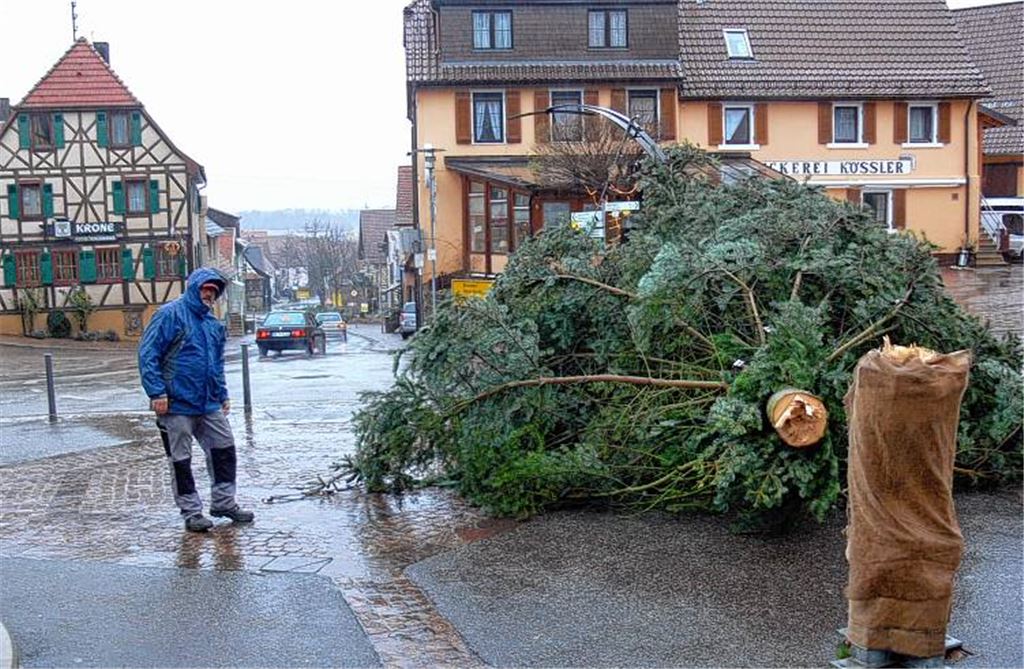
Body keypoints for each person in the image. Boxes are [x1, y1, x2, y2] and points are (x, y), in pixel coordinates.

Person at [138, 267, 255, 532]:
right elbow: (148, 354)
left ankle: (224, 502)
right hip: (175, 403)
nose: (209, 295)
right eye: (205, 289)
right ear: (195, 288)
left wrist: (222, 394)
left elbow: (216, 364)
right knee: (181, 460)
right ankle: (191, 512)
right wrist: (157, 392)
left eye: (214, 291)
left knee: (224, 449)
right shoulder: (169, 315)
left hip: (208, 403)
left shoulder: (213, 325)